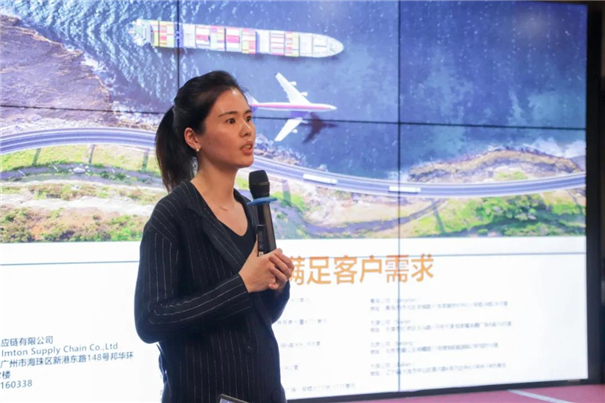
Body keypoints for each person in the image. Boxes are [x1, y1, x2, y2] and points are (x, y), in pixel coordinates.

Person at [134, 71, 294, 403]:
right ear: (194, 138)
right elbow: (151, 320)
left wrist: (277, 287)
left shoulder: (252, 210)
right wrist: (243, 284)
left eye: (248, 118)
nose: (247, 130)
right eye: (231, 120)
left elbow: (259, 317)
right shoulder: (172, 215)